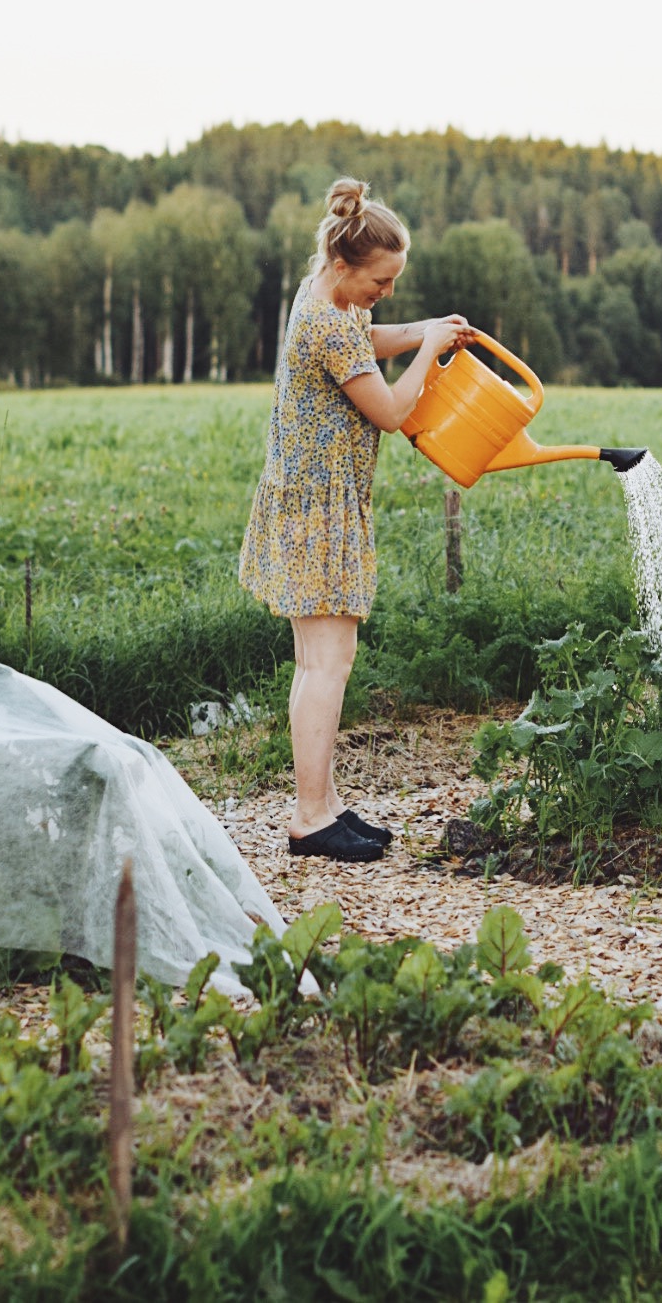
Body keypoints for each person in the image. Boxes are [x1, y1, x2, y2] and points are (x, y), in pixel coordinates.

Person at [239, 177, 472, 862]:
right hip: (318, 511)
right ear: (345, 266)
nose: (387, 293)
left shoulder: (320, 299)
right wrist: (429, 352)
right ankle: (311, 817)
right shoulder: (324, 323)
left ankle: (326, 804)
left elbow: (367, 334)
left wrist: (427, 330)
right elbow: (394, 414)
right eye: (381, 279)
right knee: (327, 664)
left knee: (319, 660)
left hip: (310, 501)